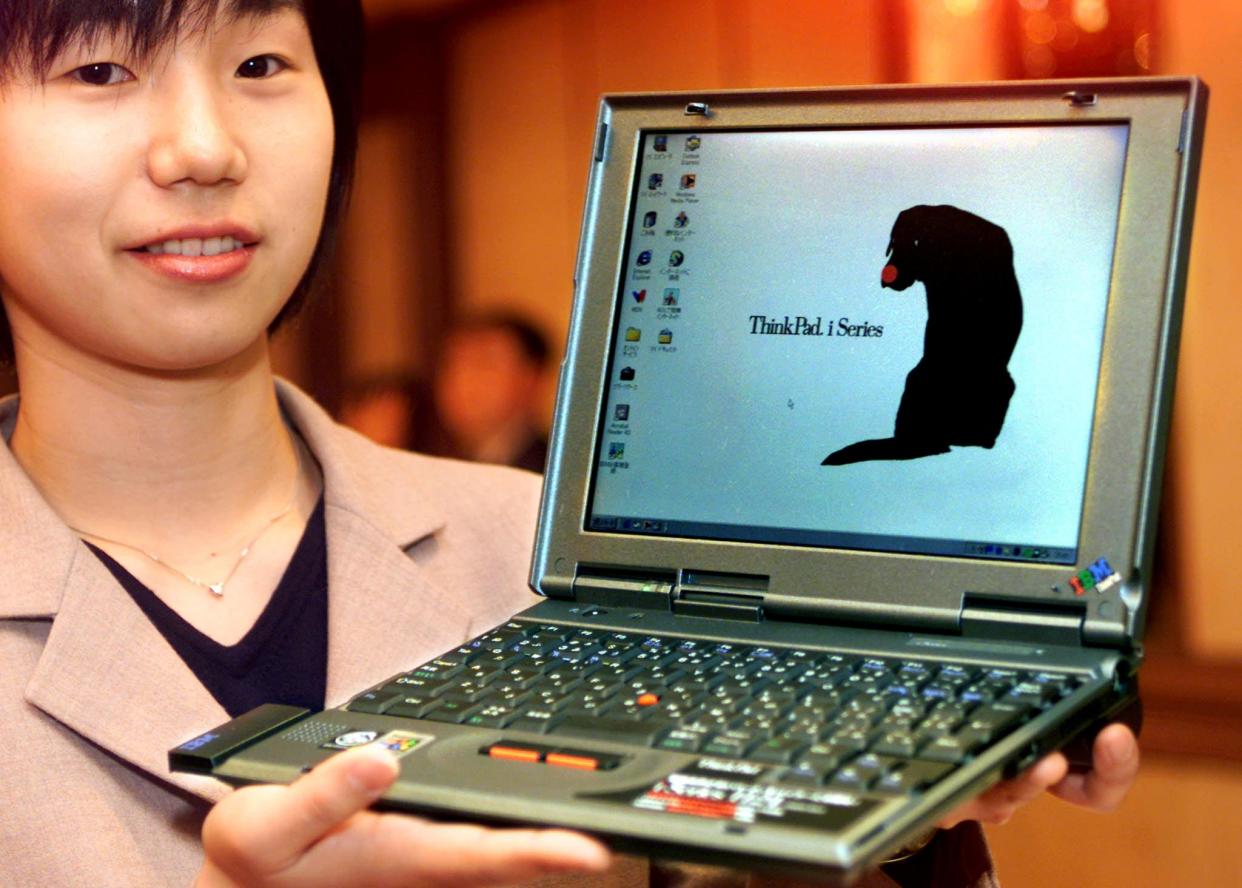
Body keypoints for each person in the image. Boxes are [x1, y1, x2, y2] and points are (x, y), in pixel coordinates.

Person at [0, 2, 1140, 886]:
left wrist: (875, 822)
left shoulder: (539, 554)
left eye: (260, 66)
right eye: (99, 68)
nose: (203, 147)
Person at [431, 312, 551, 472]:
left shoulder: (555, 470)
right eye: (452, 365)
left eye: (484, 363)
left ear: (532, 378)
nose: (462, 379)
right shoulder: (443, 465)